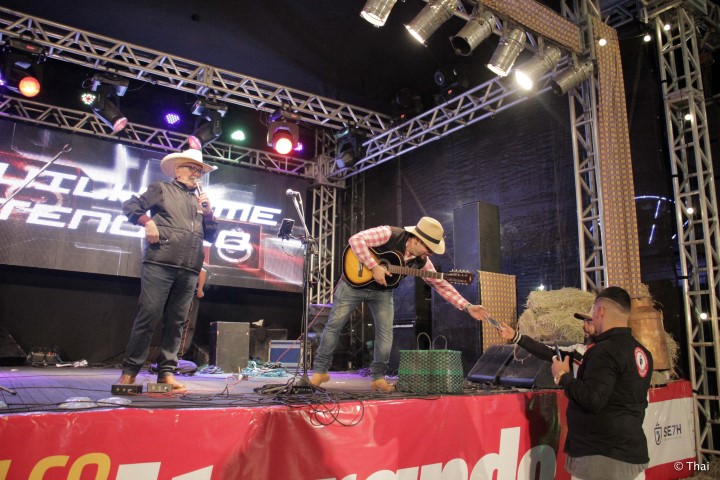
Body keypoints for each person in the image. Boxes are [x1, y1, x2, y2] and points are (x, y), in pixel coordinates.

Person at [310, 216, 492, 392]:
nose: (429, 254)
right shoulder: (390, 234)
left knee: (385, 333)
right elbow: (356, 240)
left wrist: (467, 306)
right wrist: (374, 266)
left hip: (382, 292)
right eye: (429, 249)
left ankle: (378, 378)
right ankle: (320, 371)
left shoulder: (422, 262)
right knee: (334, 325)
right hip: (352, 284)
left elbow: (440, 284)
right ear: (417, 239)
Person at [116, 149, 218, 393]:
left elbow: (212, 236)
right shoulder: (161, 189)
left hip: (189, 268)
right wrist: (148, 222)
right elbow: (130, 205)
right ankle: (130, 372)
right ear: (178, 170)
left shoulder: (199, 201)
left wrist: (209, 212)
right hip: (160, 263)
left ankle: (166, 374)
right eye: (192, 168)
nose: (197, 174)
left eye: (200, 171)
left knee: (177, 323)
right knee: (148, 315)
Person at [551, 286, 653, 480]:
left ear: (600, 311)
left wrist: (562, 376)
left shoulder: (604, 351)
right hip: (629, 453)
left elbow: (593, 398)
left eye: (592, 312)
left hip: (602, 458)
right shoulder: (642, 352)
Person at [498, 310, 595, 377]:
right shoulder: (579, 350)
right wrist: (515, 336)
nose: (584, 326)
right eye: (584, 321)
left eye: (589, 322)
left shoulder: (602, 355)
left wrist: (562, 378)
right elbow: (546, 351)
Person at [179, 265, 208, 359]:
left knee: (186, 325)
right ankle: (177, 356)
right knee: (184, 325)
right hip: (183, 294)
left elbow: (202, 271)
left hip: (188, 294)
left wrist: (200, 289)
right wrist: (200, 289)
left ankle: (178, 356)